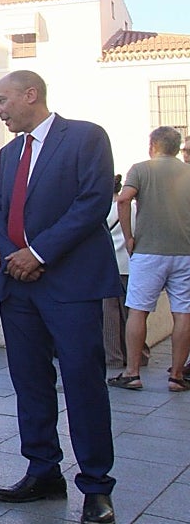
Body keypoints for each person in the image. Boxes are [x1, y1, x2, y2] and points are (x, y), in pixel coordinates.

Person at [0, 70, 120, 524]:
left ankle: (97, 487)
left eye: (2, 100)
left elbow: (93, 201)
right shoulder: (8, 154)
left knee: (84, 384)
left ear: (31, 94)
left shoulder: (85, 138)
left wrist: (38, 252)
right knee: (30, 383)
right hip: (19, 286)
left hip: (71, 285)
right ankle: (43, 471)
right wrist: (14, 256)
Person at [111, 127, 190, 391]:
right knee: (183, 312)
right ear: (177, 148)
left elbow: (123, 200)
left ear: (153, 145)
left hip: (148, 252)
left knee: (138, 310)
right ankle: (177, 376)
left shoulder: (141, 169)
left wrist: (129, 237)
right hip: (185, 252)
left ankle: (132, 372)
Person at [102, 175, 145, 369]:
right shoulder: (135, 209)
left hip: (111, 267)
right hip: (132, 266)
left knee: (110, 316)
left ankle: (113, 357)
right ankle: (139, 355)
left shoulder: (102, 211)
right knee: (133, 314)